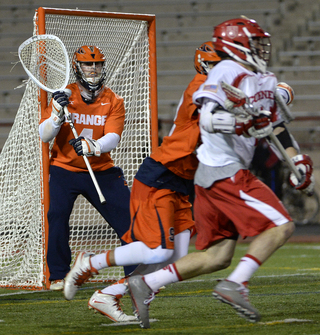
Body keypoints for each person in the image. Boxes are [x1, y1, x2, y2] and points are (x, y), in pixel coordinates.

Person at [124, 17, 315, 328]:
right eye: (254, 42)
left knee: (218, 256)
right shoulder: (225, 71)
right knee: (281, 225)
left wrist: (297, 161)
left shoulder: (264, 78)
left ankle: (148, 282)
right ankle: (236, 285)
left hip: (215, 176)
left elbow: (278, 128)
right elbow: (208, 119)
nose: (260, 48)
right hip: (222, 170)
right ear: (236, 44)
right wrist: (244, 123)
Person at [62, 42, 221, 322]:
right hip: (161, 175)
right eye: (219, 65)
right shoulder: (203, 86)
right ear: (205, 65)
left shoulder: (218, 86)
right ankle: (91, 262)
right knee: (157, 249)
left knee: (176, 256)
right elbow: (218, 113)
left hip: (182, 180)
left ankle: (108, 295)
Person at [39, 45, 137, 291]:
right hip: (64, 169)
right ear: (77, 67)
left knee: (130, 218)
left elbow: (113, 137)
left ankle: (137, 274)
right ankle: (59, 275)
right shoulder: (62, 95)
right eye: (88, 64)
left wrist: (92, 146)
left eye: (98, 64)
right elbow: (44, 135)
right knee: (57, 216)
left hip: (102, 170)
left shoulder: (114, 100)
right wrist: (57, 115)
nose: (93, 69)